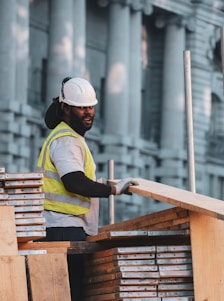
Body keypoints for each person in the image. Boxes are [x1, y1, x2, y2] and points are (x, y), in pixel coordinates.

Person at [36, 76, 138, 301]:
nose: (88, 112)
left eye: (90, 106)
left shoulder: (71, 138)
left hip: (63, 227)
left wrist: (106, 186)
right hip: (62, 228)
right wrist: (112, 190)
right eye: (81, 107)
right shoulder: (66, 140)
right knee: (69, 294)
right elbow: (74, 181)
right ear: (65, 109)